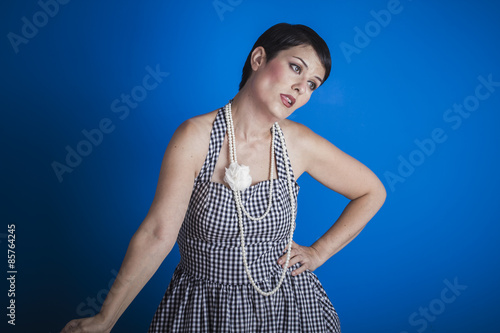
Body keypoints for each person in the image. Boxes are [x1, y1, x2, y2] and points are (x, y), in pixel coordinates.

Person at [61, 23, 386, 333]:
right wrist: (106, 318)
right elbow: (158, 234)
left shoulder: (299, 143)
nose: (302, 88)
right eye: (296, 68)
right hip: (205, 311)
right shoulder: (195, 137)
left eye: (313, 84)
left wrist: (320, 252)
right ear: (259, 59)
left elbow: (372, 192)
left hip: (286, 308)